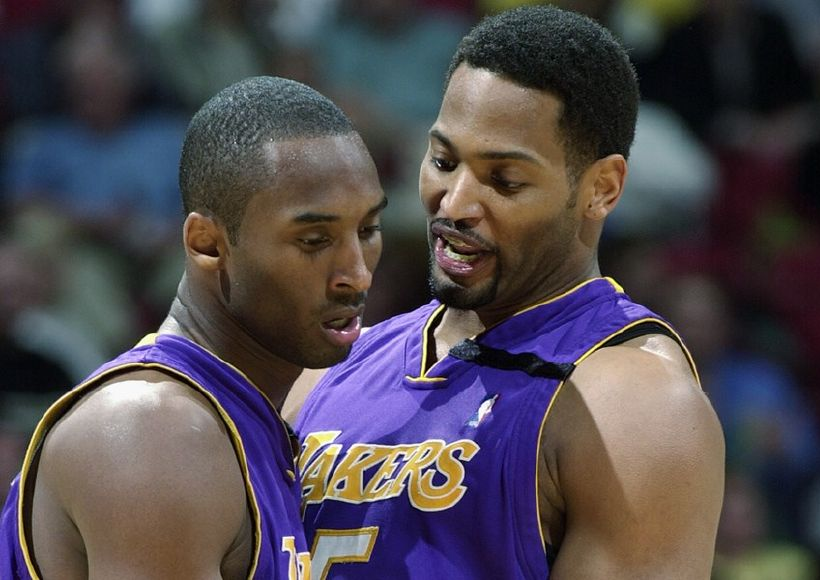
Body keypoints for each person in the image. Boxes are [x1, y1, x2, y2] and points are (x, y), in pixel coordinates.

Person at [284, 6, 725, 579]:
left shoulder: (635, 405)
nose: (454, 203)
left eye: (504, 180)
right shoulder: (330, 368)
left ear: (601, 189)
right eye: (443, 160)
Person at [1, 75, 387, 579]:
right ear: (207, 245)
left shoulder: (243, 414)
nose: (357, 273)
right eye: (314, 240)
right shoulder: (155, 434)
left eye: (368, 230)